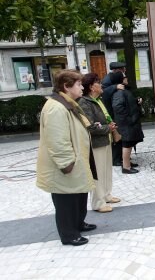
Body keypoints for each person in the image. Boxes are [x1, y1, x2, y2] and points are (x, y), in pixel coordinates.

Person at [36, 69, 97, 246]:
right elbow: (57, 140)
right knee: (66, 201)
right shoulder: (56, 107)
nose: (82, 87)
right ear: (66, 86)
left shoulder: (68, 102)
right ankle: (69, 234)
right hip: (66, 165)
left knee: (78, 196)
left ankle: (78, 223)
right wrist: (66, 164)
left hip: (77, 161)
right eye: (78, 84)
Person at [79, 73, 121, 213]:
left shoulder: (97, 99)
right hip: (96, 143)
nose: (101, 84)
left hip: (105, 140)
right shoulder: (84, 102)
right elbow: (90, 126)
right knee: (98, 172)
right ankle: (98, 202)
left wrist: (109, 126)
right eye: (98, 82)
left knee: (106, 170)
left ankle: (106, 195)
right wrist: (107, 128)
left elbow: (103, 119)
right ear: (91, 87)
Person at [111, 72, 144, 174]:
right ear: (120, 79)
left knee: (129, 143)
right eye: (125, 77)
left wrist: (135, 101)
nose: (127, 78)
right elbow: (118, 107)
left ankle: (127, 163)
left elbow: (126, 103)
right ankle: (126, 167)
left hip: (128, 122)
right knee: (127, 143)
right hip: (126, 123)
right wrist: (129, 119)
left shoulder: (123, 91)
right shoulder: (119, 92)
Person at [101, 61, 128, 167]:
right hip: (110, 111)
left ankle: (121, 157)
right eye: (123, 69)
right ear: (118, 70)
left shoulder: (114, 77)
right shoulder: (108, 79)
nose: (124, 71)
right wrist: (115, 87)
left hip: (113, 110)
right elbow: (104, 92)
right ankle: (116, 159)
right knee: (116, 135)